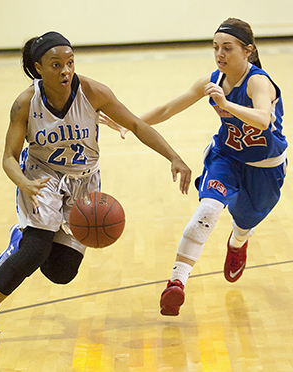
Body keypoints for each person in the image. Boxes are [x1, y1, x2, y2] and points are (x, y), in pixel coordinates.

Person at [0, 31, 191, 349]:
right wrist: (24, 183)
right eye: (56, 65)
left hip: (84, 182)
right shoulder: (26, 103)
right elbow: (8, 158)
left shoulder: (94, 92)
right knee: (35, 252)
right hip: (43, 178)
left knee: (62, 272)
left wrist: (174, 157)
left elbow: (137, 125)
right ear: (39, 68)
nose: (66, 70)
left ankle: (21, 239)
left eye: (70, 62)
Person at [102, 18, 288, 316]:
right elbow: (167, 109)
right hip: (225, 158)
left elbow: (263, 119)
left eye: (227, 48)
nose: (220, 54)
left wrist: (226, 105)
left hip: (265, 168)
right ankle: (176, 282)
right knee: (208, 209)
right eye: (216, 48)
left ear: (248, 51)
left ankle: (238, 242)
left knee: (245, 222)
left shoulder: (257, 81)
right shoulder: (212, 80)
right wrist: (126, 122)